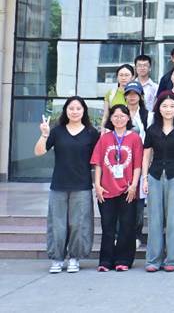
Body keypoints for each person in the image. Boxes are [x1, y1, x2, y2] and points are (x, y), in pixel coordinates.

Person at [35, 97, 100, 274]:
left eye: (78, 108)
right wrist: (44, 134)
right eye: (71, 108)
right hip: (59, 185)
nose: (75, 111)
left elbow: (98, 160)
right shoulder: (57, 131)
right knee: (57, 224)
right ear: (66, 111)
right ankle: (57, 259)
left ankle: (74, 258)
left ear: (84, 111)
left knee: (79, 224)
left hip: (82, 185)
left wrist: (99, 183)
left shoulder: (91, 133)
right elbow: (39, 151)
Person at [141, 92, 174, 272]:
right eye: (164, 106)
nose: (168, 109)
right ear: (158, 108)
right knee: (154, 219)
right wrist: (144, 178)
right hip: (155, 176)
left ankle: (172, 260)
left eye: (172, 106)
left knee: (173, 220)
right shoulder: (152, 130)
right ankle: (153, 260)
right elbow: (146, 155)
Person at [91, 104, 144, 271]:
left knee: (127, 226)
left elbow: (138, 165)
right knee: (108, 227)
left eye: (122, 116)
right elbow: (98, 163)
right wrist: (97, 185)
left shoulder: (135, 138)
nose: (119, 119)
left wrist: (134, 185)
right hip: (106, 189)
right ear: (111, 119)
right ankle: (105, 261)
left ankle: (123, 260)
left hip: (128, 189)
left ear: (128, 118)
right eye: (115, 116)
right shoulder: (104, 138)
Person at [123, 81, 149, 249]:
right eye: (129, 94)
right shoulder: (119, 113)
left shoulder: (148, 115)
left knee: (139, 202)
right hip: (121, 163)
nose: (132, 97)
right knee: (122, 200)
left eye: (135, 94)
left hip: (140, 161)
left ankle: (136, 234)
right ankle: (121, 234)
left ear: (140, 96)